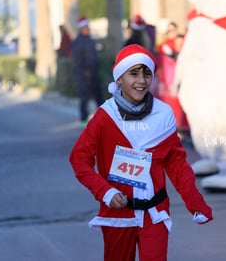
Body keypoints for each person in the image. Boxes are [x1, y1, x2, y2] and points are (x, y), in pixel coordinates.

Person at [69, 44, 213, 261]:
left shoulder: (163, 114)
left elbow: (177, 164)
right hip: (118, 215)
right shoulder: (104, 117)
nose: (141, 80)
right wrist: (106, 192)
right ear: (119, 79)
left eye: (147, 73)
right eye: (133, 73)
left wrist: (195, 203)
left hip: (154, 213)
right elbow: (79, 159)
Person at [71, 16, 104, 125]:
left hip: (93, 74)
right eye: (85, 27)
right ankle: (83, 119)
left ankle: (104, 117)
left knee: (98, 96)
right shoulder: (77, 42)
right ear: (81, 28)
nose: (88, 28)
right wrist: (85, 71)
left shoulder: (90, 40)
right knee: (84, 97)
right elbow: (77, 60)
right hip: (83, 75)